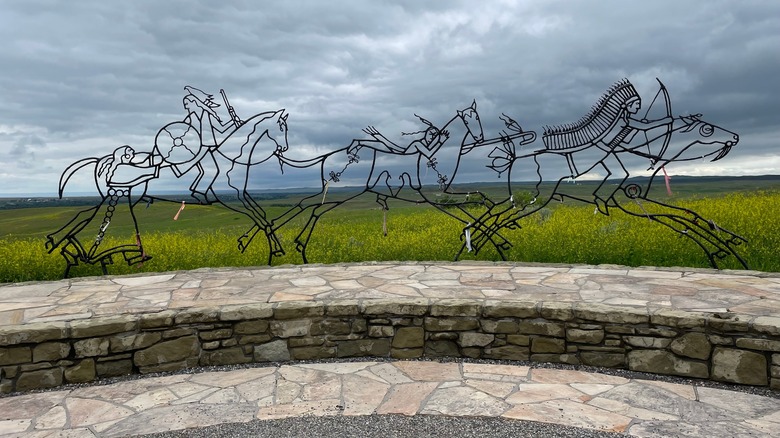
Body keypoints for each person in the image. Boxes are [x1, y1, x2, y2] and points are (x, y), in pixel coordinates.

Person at [543, 79, 671, 214]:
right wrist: (666, 121)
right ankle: (597, 197)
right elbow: (645, 127)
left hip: (606, 151)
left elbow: (626, 141)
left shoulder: (624, 120)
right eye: (636, 104)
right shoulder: (621, 120)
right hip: (598, 151)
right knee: (572, 173)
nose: (638, 107)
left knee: (621, 174)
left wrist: (635, 131)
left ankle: (601, 198)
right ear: (627, 105)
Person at [180, 86, 237, 203]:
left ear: (194, 102)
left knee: (210, 171)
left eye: (187, 103)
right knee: (211, 171)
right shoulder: (190, 118)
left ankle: (198, 192)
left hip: (206, 147)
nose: (185, 106)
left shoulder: (207, 115)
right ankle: (198, 193)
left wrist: (233, 120)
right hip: (199, 149)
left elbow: (221, 129)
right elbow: (183, 133)